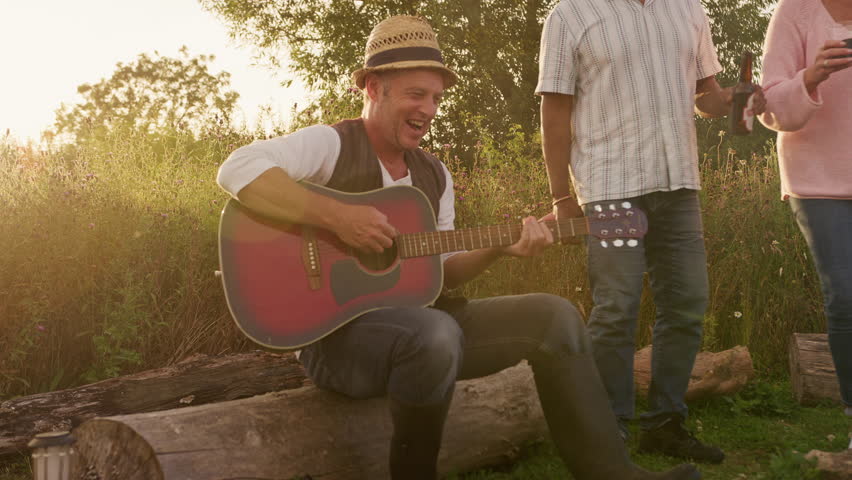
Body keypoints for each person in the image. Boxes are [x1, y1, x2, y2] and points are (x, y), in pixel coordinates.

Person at [218, 14, 701, 480]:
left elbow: (439, 273)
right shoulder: (331, 146)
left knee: (553, 316)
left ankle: (611, 472)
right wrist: (338, 218)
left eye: (435, 97)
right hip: (340, 346)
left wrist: (500, 248)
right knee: (434, 332)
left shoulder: (433, 174)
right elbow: (237, 170)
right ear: (373, 88)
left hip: (423, 333)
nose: (428, 109)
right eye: (415, 94)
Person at [536, 0, 767, 465]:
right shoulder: (571, 15)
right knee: (616, 307)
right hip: (610, 189)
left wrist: (731, 100)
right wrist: (561, 198)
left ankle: (665, 423)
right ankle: (610, 430)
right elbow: (555, 113)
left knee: (686, 304)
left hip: (678, 182)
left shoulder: (688, 10)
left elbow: (704, 96)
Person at [758, 0, 852, 419]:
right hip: (818, 182)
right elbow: (769, 105)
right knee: (845, 298)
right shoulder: (794, 11)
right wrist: (812, 76)